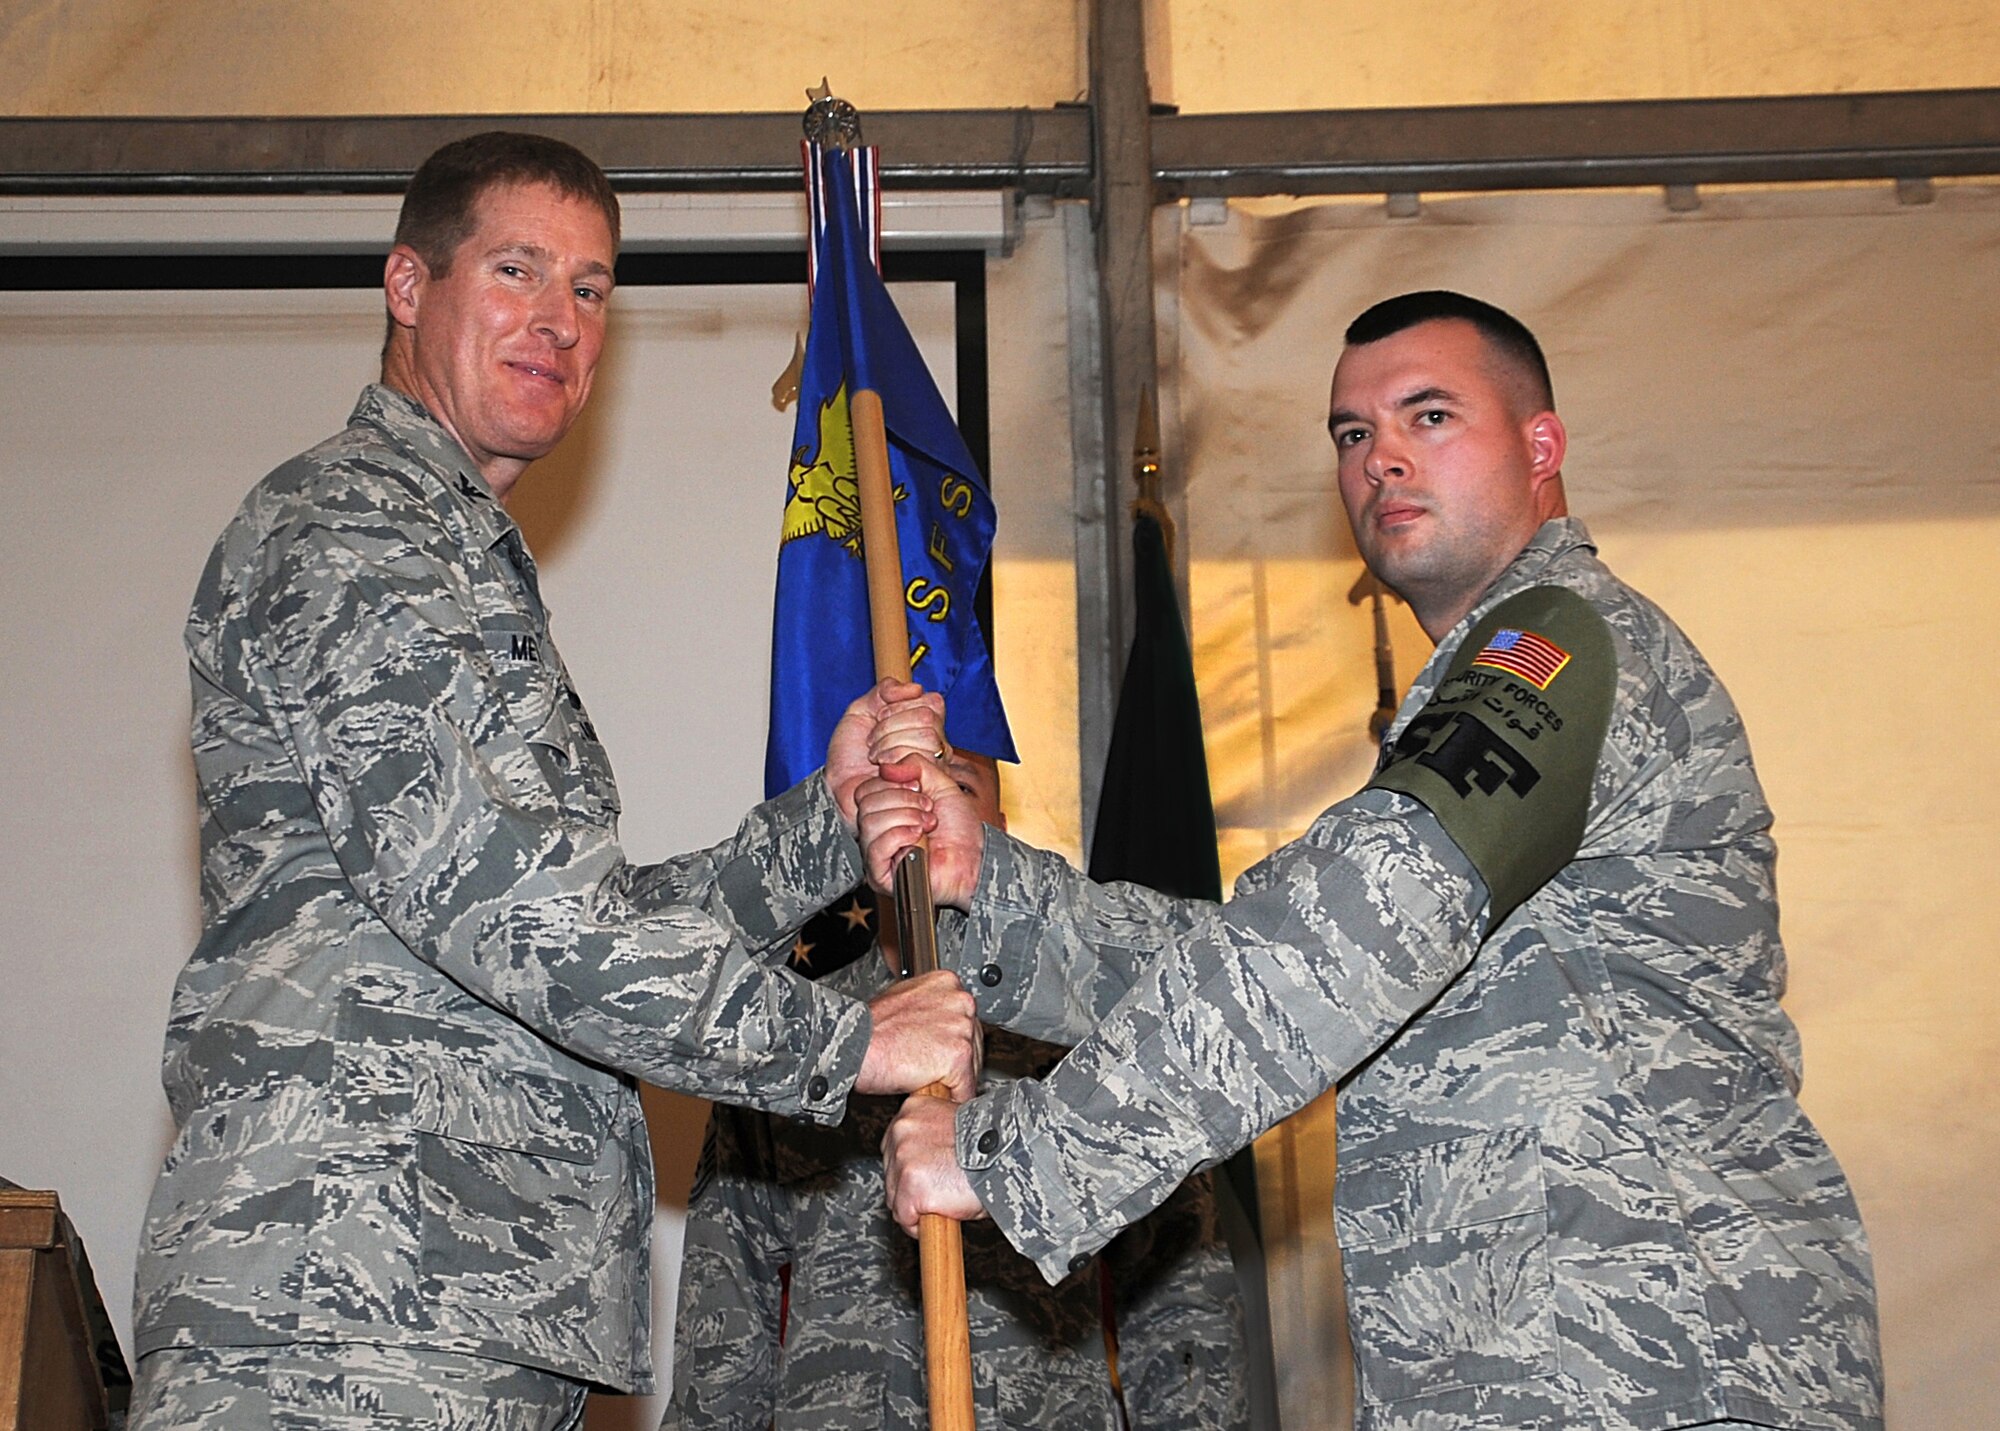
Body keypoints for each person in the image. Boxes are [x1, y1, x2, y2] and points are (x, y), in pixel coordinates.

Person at [863, 292, 1884, 1430]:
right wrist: (988, 887)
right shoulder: (1481, 695)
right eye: (1351, 435)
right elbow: (1271, 944)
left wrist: (1026, 1159)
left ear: (1539, 448)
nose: (1380, 459)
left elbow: (1348, 929)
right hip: (1541, 1364)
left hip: (1652, 1362)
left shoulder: (1560, 649)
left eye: (1428, 415)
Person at [128, 131, 978, 1430]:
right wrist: (846, 1039)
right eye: (516, 270)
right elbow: (509, 905)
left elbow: (574, 913)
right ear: (410, 285)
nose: (559, 322)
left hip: (454, 1304)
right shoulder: (349, 529)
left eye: (590, 288)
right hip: (342, 1305)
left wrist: (828, 825)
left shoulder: (468, 561)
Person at [664, 750, 1247, 1431]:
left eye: (958, 788)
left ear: (997, 825)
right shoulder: (794, 1033)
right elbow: (726, 1307)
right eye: (898, 792)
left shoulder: (1088, 1036)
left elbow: (1183, 1295)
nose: (922, 810)